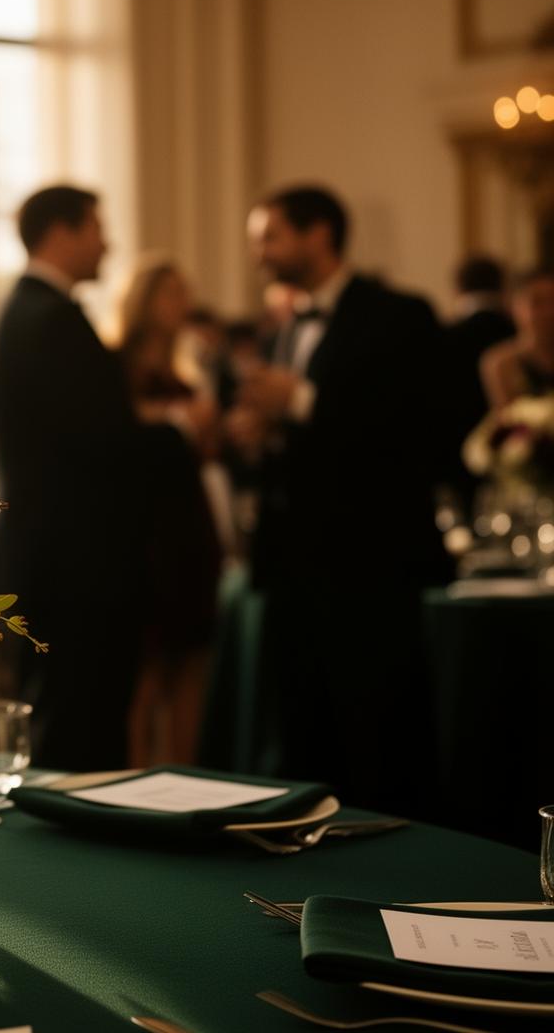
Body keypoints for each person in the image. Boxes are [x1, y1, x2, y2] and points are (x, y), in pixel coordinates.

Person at [236, 184, 450, 812]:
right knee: (302, 740)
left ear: (319, 234)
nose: (258, 255)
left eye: (269, 236)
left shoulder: (399, 314)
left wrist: (299, 403)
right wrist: (261, 435)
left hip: (370, 568)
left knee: (376, 740)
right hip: (292, 571)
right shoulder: (283, 327)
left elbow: (412, 429)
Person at [0, 185, 145, 770]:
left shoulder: (23, 312)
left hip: (48, 552)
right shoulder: (52, 318)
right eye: (97, 228)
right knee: (80, 737)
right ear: (61, 233)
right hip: (77, 563)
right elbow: (102, 439)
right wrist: (178, 433)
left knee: (67, 724)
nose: (109, 242)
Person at [114, 259, 224, 767]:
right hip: (143, 527)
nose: (180, 303)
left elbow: (203, 455)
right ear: (143, 299)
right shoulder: (114, 367)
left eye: (184, 292)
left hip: (190, 524)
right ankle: (136, 776)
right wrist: (175, 419)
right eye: (168, 292)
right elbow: (117, 441)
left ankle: (184, 774)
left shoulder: (189, 370)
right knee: (145, 666)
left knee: (192, 657)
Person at [444, 256, 517, 506]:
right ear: (502, 287)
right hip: (523, 456)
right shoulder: (516, 333)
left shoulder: (444, 337)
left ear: (457, 288)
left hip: (457, 459)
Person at [480, 266, 554, 408]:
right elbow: (510, 419)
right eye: (538, 302)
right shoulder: (501, 363)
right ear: (513, 307)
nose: (549, 312)